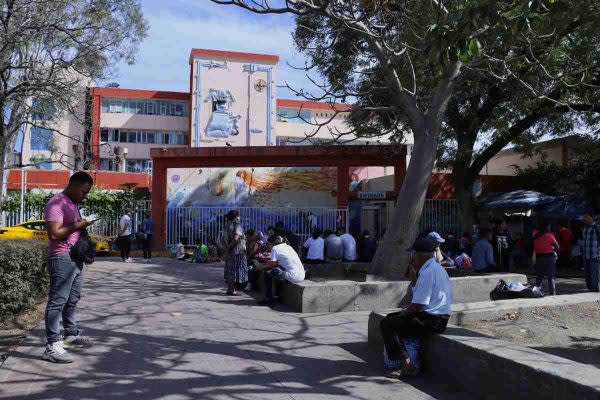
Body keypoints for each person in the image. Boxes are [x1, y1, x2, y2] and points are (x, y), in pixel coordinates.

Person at [380, 238, 452, 378]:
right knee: (392, 319)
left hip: (431, 320)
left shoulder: (427, 273)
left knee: (387, 323)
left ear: (419, 256)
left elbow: (417, 305)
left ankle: (406, 363)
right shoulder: (436, 268)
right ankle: (404, 359)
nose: (411, 258)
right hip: (437, 318)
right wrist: (414, 279)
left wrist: (404, 313)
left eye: (412, 255)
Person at [43, 171, 95, 363]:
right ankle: (51, 346)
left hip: (75, 257)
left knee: (72, 299)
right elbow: (54, 234)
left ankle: (71, 334)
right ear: (73, 186)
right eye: (83, 192)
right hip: (61, 256)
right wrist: (78, 225)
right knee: (57, 301)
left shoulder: (73, 203)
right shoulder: (56, 203)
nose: (85, 196)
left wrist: (81, 225)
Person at [254, 234, 305, 305]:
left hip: (293, 276)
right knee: (277, 270)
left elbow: (272, 265)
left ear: (272, 243)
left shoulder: (275, 248)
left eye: (268, 244)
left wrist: (261, 267)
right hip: (301, 275)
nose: (268, 246)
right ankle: (278, 295)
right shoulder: (287, 246)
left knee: (268, 272)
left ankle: (269, 299)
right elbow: (277, 262)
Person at [223, 210, 247, 296]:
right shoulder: (237, 225)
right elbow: (236, 237)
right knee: (236, 270)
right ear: (236, 216)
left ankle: (230, 289)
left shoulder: (227, 225)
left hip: (230, 251)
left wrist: (227, 249)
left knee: (230, 270)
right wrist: (230, 247)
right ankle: (232, 290)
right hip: (237, 251)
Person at [532, 220, 560, 295]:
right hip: (549, 258)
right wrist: (552, 248)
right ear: (546, 227)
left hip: (539, 257)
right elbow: (557, 247)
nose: (550, 227)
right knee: (551, 277)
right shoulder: (549, 235)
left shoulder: (535, 234)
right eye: (549, 226)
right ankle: (552, 293)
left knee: (539, 277)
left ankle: (537, 292)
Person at [582, 213, 600, 292]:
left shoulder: (597, 227)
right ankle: (590, 289)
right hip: (586, 254)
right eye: (584, 217)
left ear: (591, 217)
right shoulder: (585, 228)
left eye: (586, 217)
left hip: (595, 254)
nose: (584, 219)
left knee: (595, 273)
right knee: (587, 274)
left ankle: (595, 288)